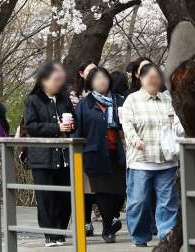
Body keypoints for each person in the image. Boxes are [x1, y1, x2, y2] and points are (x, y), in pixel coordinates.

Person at [121, 62, 180, 247]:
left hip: (166, 161)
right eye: (150, 78)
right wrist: (134, 140)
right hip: (141, 161)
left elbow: (177, 123)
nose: (154, 81)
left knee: (167, 202)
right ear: (141, 78)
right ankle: (139, 236)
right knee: (138, 202)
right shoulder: (132, 100)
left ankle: (165, 237)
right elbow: (127, 125)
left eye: (157, 78)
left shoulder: (168, 99)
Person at [22, 62, 76, 247]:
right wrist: (56, 127)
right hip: (42, 157)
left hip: (63, 156)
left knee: (65, 197)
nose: (58, 84)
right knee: (46, 197)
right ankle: (49, 234)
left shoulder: (64, 99)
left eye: (60, 80)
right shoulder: (33, 100)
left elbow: (74, 120)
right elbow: (31, 126)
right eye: (55, 80)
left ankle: (60, 232)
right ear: (44, 80)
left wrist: (70, 125)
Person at [75, 66, 125, 242]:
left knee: (119, 192)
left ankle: (112, 219)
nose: (102, 81)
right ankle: (107, 229)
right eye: (97, 79)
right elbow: (77, 130)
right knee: (103, 192)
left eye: (104, 78)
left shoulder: (120, 101)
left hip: (117, 151)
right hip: (94, 152)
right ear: (90, 83)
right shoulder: (85, 104)